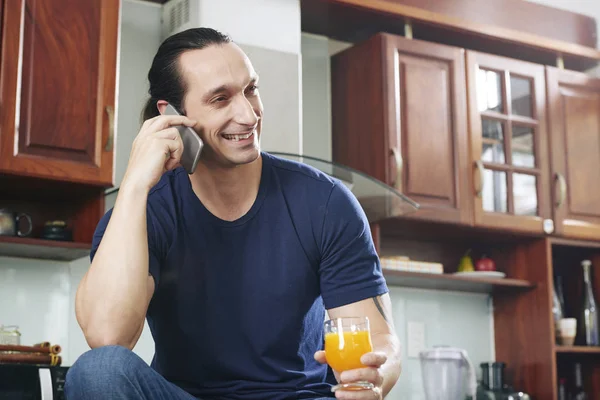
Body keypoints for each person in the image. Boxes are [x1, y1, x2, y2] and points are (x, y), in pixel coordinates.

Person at [65, 27, 401, 400]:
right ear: (172, 114)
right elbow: (107, 336)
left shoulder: (326, 203)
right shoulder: (145, 211)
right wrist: (133, 186)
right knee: (98, 370)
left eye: (250, 89)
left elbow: (380, 340)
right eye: (220, 99)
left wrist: (376, 374)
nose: (247, 113)